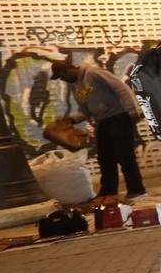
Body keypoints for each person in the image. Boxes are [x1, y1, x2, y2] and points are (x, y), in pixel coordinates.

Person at [49, 59, 145, 199]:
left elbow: (121, 88)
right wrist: (71, 119)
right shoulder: (75, 86)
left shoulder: (93, 73)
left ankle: (137, 190)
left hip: (119, 116)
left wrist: (131, 110)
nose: (63, 79)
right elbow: (85, 111)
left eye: (62, 75)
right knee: (105, 158)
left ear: (69, 68)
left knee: (125, 156)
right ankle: (108, 192)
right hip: (102, 121)